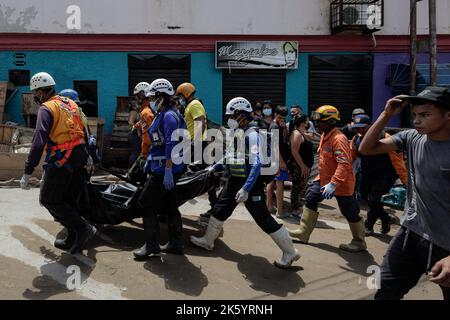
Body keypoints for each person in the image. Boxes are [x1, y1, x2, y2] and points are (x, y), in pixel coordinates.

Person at [359, 86, 450, 300]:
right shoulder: (411, 137)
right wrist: (386, 114)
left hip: (445, 246)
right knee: (385, 293)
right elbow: (366, 148)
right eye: (415, 115)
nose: (417, 121)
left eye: (425, 115)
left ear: (448, 115)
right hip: (410, 233)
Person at [190, 97, 300, 269]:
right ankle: (207, 241)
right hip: (234, 180)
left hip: (250, 184)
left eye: (231, 116)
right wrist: (214, 167)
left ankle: (290, 252)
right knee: (219, 209)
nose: (229, 120)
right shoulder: (239, 132)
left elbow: (257, 163)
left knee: (263, 218)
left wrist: (246, 189)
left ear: (241, 115)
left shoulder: (253, 135)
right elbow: (231, 155)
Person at [20, 72, 97, 254]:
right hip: (79, 156)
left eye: (35, 93)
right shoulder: (70, 104)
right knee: (67, 198)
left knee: (49, 199)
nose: (36, 97)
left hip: (63, 158)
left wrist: (27, 171)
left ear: (39, 92)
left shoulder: (47, 108)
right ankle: (72, 237)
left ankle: (83, 228)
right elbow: (85, 131)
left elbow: (39, 140)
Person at [288, 105, 367, 252]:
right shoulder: (325, 135)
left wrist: (333, 183)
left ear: (331, 121)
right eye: (316, 121)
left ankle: (359, 241)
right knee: (311, 197)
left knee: (349, 211)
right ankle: (303, 233)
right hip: (324, 180)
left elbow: (344, 164)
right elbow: (325, 161)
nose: (316, 124)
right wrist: (319, 179)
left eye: (320, 121)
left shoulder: (339, 139)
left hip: (341, 183)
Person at [133, 78, 187, 260]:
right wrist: (150, 158)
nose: (151, 101)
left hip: (165, 170)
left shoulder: (170, 116)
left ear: (161, 97)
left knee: (145, 202)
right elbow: (158, 142)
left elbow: (172, 144)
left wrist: (169, 170)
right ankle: (176, 243)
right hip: (161, 166)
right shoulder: (163, 114)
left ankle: (151, 245)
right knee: (170, 204)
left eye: (153, 97)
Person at [350, 114, 408, 236]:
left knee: (375, 198)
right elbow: (351, 157)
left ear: (371, 126)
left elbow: (398, 162)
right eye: (357, 128)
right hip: (366, 174)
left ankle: (368, 226)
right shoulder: (356, 140)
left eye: (362, 127)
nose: (359, 130)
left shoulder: (385, 137)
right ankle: (386, 218)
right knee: (365, 198)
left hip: (385, 175)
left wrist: (406, 181)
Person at [175, 82, 219, 227]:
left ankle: (172, 205)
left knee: (191, 176)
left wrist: (196, 144)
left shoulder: (194, 104)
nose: (179, 98)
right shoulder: (190, 105)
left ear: (186, 94)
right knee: (207, 177)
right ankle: (215, 209)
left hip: (199, 144)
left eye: (180, 95)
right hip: (198, 144)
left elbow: (200, 123)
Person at [288, 113, 314, 220]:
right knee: (297, 188)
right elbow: (294, 152)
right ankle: (295, 210)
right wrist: (303, 166)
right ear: (303, 123)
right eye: (307, 121)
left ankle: (298, 208)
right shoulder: (296, 134)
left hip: (304, 166)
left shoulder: (302, 133)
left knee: (301, 188)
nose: (308, 123)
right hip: (298, 166)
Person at [266, 106, 291, 218]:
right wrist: (281, 161)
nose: (282, 119)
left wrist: (284, 127)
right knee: (280, 183)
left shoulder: (280, 125)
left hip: (276, 158)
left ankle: (269, 206)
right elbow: (274, 146)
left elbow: (286, 138)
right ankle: (280, 211)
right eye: (280, 117)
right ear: (275, 114)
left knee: (271, 182)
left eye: (284, 118)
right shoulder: (274, 126)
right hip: (277, 158)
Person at [132, 82, 155, 160]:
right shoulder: (144, 111)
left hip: (148, 153)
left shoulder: (146, 112)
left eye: (137, 96)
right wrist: (135, 126)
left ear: (141, 95)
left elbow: (152, 132)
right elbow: (143, 122)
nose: (136, 99)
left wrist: (145, 153)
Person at [127, 100, 142, 167]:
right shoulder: (133, 112)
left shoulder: (136, 112)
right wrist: (137, 129)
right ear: (134, 106)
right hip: (134, 135)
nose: (139, 106)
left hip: (135, 134)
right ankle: (132, 167)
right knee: (136, 151)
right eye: (137, 104)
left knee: (137, 151)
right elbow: (130, 122)